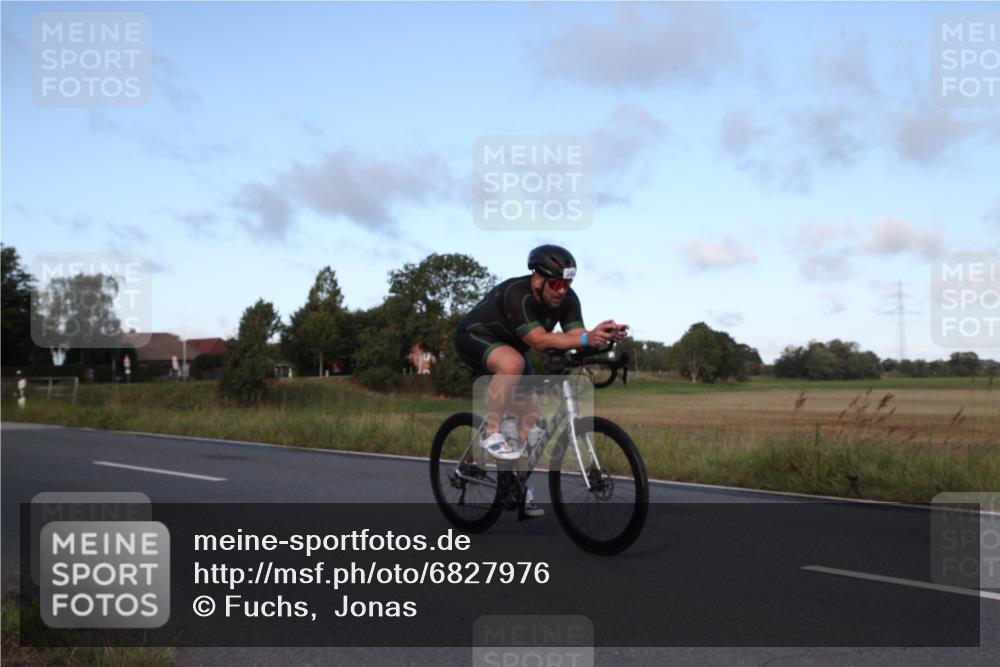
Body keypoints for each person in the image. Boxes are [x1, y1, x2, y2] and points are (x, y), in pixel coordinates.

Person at [453, 245, 629, 517]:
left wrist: (601, 337)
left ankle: (516, 487)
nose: (562, 290)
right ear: (538, 280)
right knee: (512, 363)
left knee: (530, 417)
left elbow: (577, 336)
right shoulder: (518, 294)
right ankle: (491, 431)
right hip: (475, 336)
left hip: (512, 348)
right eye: (556, 283)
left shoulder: (568, 300)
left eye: (567, 283)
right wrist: (585, 338)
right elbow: (538, 341)